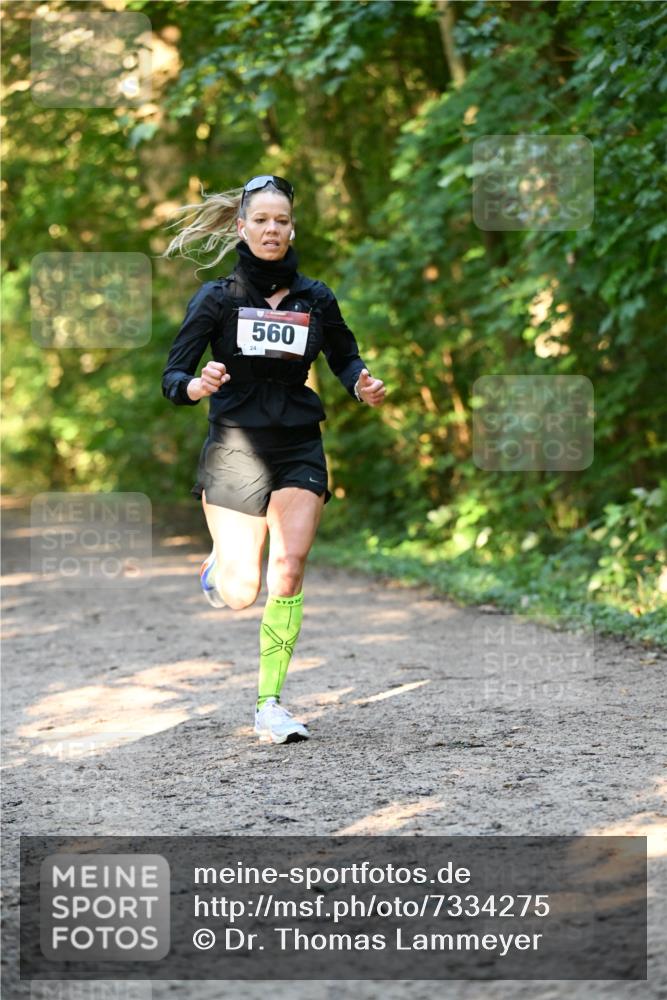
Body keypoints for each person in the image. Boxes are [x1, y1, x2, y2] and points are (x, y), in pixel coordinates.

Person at [160, 174, 385, 744]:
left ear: (292, 229)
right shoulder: (217, 298)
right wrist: (197, 384)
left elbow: (344, 355)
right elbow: (172, 376)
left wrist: (361, 382)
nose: (272, 229)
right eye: (260, 220)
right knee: (240, 592)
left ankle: (269, 703)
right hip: (235, 445)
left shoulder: (316, 297)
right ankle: (219, 569)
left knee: (288, 567)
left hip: (298, 443)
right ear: (242, 228)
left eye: (281, 221)